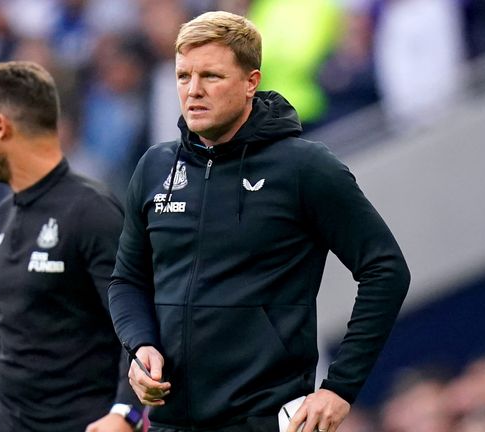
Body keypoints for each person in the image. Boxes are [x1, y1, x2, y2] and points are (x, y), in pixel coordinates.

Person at [108, 11, 410, 432]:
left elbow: (386, 270)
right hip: (169, 423)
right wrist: (140, 346)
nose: (193, 90)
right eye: (183, 77)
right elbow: (126, 281)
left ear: (251, 82)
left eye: (211, 76)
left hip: (264, 420)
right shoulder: (155, 167)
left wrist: (340, 388)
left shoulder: (304, 168)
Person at [0, 61, 141, 432]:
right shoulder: (3, 215)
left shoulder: (92, 212)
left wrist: (126, 413)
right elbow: (6, 329)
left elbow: (137, 322)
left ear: (0, 127)